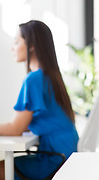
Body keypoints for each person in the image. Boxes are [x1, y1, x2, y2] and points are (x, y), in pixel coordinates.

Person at [0, 20, 79, 179]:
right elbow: (40, 121)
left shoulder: (34, 79)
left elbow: (16, 128)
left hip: (54, 158)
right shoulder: (50, 76)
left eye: (16, 42)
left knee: (2, 168)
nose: (12, 48)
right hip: (65, 154)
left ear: (31, 45)